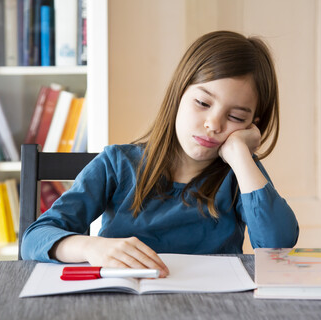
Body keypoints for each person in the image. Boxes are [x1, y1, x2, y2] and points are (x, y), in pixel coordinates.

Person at [21, 30, 299, 277]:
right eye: (202, 102)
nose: (213, 124)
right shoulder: (117, 164)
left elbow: (277, 247)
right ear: (179, 95)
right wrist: (90, 246)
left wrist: (240, 154)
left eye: (236, 117)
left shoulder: (240, 174)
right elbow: (35, 238)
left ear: (252, 125)